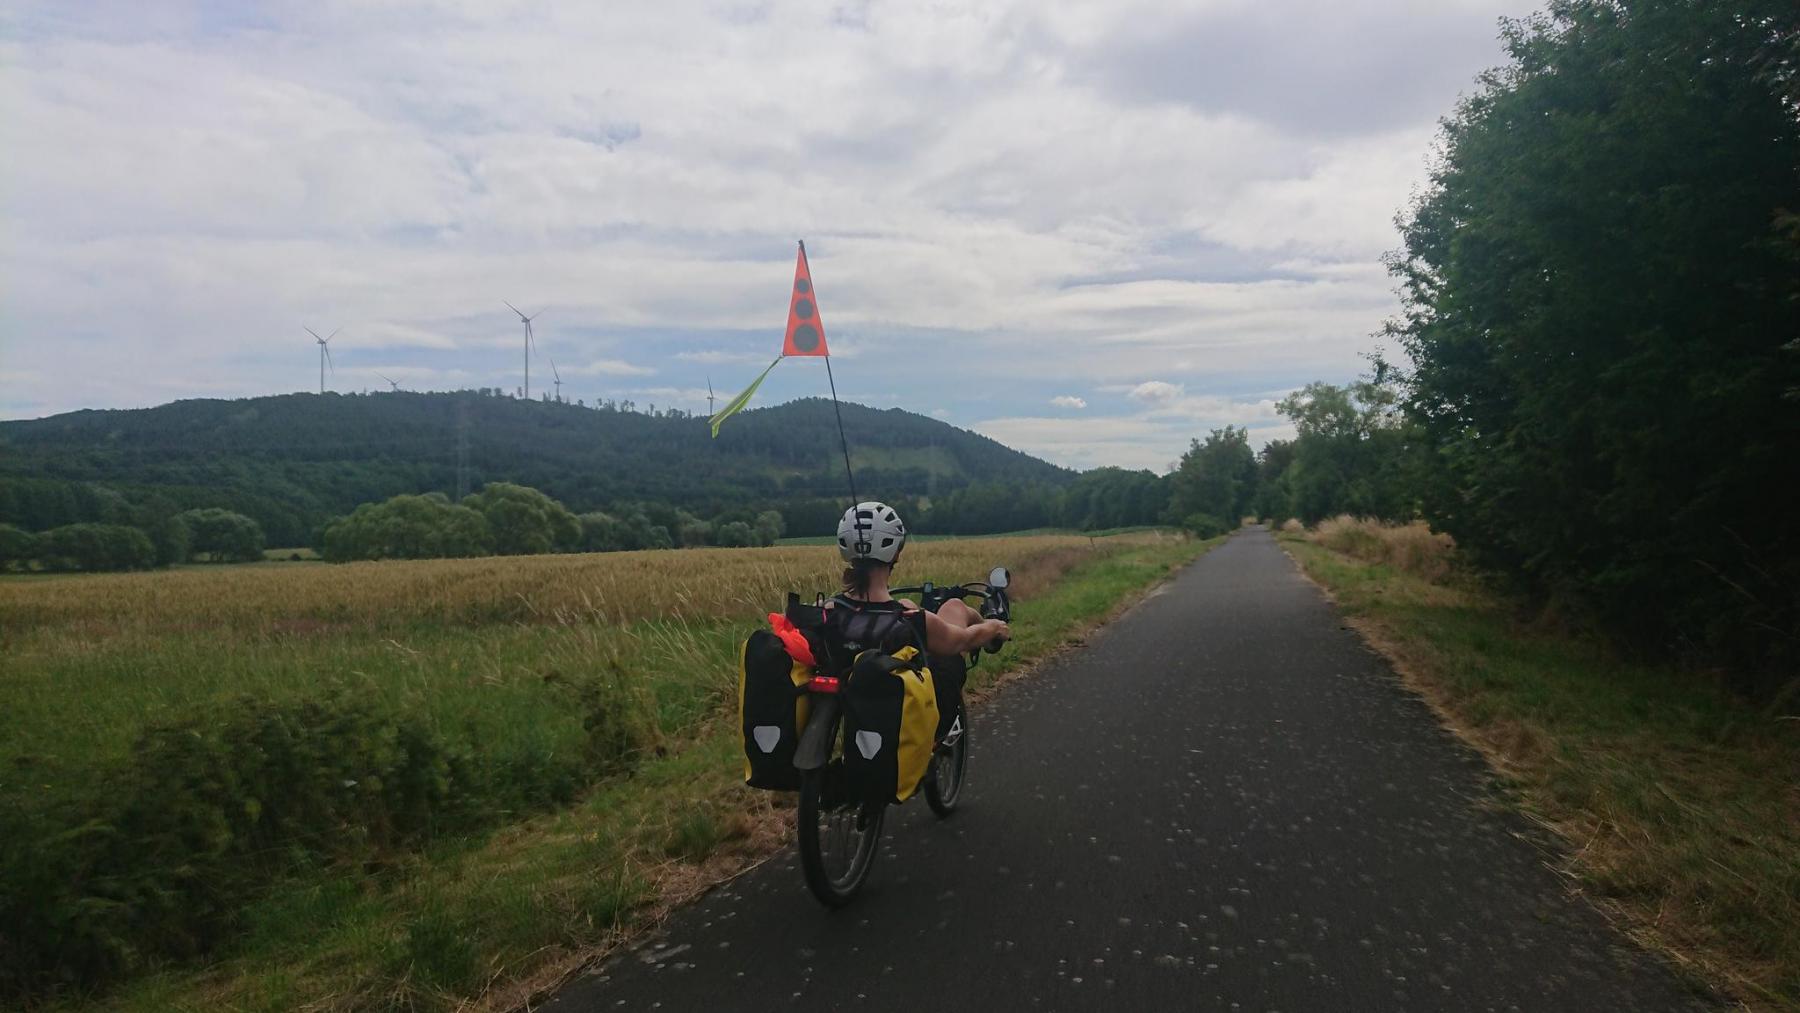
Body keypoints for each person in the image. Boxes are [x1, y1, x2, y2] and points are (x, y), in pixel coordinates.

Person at [830, 501, 1008, 657]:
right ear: (896, 554)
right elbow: (963, 640)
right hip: (921, 682)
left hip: (840, 683)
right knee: (955, 606)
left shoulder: (825, 612)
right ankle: (988, 635)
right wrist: (992, 627)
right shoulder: (912, 621)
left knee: (909, 603)